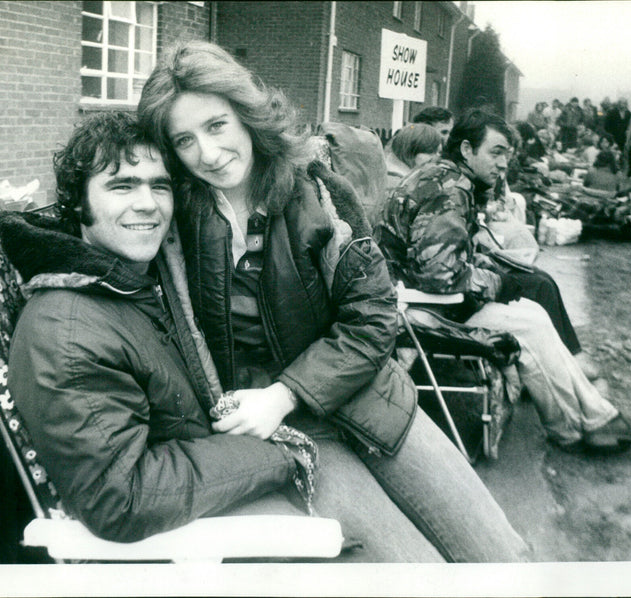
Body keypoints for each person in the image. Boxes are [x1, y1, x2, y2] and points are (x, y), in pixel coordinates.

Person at [138, 40, 529, 563]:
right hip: (297, 441)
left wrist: (284, 393)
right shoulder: (172, 224)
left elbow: (373, 319)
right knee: (417, 575)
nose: (207, 154)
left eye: (216, 126)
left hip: (374, 405)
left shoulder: (322, 197)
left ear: (248, 115)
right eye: (184, 140)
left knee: (501, 557)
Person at [1, 111, 448, 562]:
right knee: (416, 568)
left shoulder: (138, 282)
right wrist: (277, 455)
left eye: (159, 186)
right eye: (122, 186)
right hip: (217, 524)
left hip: (237, 475)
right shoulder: (66, 331)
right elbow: (122, 497)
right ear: (78, 204)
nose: (148, 204)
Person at [375, 109, 631, 453]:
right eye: (495, 152)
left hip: (416, 296)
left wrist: (489, 268)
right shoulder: (449, 189)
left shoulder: (447, 179)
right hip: (416, 309)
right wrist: (496, 283)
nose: (503, 164)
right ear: (466, 150)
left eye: (507, 155)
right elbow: (440, 275)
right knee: (529, 322)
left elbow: (442, 256)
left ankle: (589, 422)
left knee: (533, 316)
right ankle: (586, 425)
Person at [384, 123, 443, 192]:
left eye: (439, 152)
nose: (436, 158)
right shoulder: (395, 182)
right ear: (410, 150)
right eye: (430, 152)